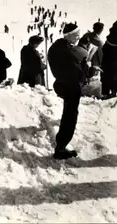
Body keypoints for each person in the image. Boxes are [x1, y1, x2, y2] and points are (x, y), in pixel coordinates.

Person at [48, 23, 85, 159]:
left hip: (65, 84)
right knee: (70, 117)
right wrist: (85, 71)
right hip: (70, 86)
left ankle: (61, 145)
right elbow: (74, 71)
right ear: (69, 36)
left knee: (68, 114)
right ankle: (61, 148)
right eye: (76, 35)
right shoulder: (65, 50)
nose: (78, 38)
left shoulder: (60, 46)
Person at [101, 21, 117, 98]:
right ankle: (112, 92)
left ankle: (106, 92)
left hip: (108, 53)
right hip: (112, 54)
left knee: (107, 72)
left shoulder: (111, 36)